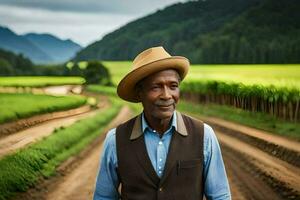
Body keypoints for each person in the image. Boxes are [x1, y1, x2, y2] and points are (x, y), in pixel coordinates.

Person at [93, 46, 231, 200]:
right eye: (156, 87)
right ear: (140, 92)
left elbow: (220, 196)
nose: (166, 95)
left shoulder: (204, 135)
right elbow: (103, 197)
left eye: (173, 86)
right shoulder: (115, 140)